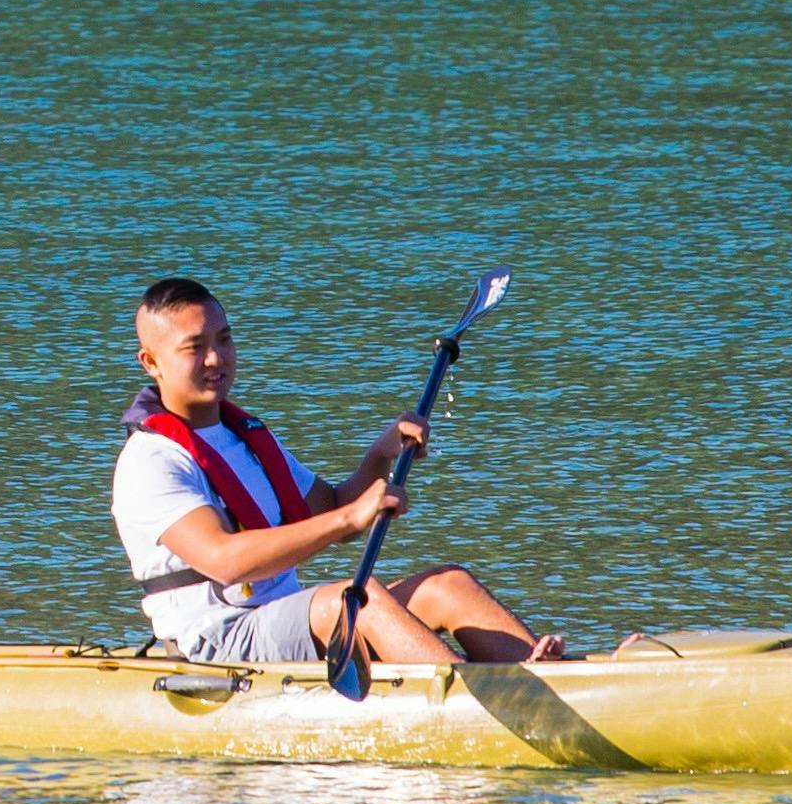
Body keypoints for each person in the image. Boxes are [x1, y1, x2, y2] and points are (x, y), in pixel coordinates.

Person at [113, 276, 566, 672]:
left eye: (224, 340)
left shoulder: (241, 436)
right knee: (357, 599)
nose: (216, 358)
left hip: (282, 619)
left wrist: (381, 454)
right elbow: (225, 561)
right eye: (195, 348)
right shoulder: (152, 460)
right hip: (218, 642)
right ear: (151, 362)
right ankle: (483, 703)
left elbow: (331, 506)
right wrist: (350, 520)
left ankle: (550, 681)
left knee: (447, 586)